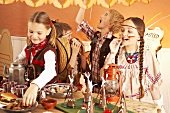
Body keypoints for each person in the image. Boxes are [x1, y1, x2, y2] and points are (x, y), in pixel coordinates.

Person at [102, 17, 165, 112]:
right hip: (119, 106)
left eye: (129, 31)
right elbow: (103, 78)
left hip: (142, 106)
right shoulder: (116, 55)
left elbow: (154, 87)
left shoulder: (147, 55)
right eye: (122, 30)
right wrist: (112, 53)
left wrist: (160, 107)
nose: (124, 34)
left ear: (139, 36)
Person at [75, 6, 124, 92]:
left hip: (106, 89)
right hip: (93, 86)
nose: (101, 15)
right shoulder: (95, 36)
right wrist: (83, 4)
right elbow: (79, 21)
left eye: (105, 15)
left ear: (110, 24)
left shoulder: (114, 43)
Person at [16, 11, 57, 106]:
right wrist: (14, 66)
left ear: (48, 31)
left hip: (45, 97)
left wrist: (35, 85)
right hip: (31, 92)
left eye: (39, 33)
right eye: (31, 32)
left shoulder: (49, 52)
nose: (34, 36)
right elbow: (19, 58)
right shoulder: (29, 46)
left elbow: (50, 71)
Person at [52, 21, 87, 87]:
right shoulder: (56, 52)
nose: (70, 38)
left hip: (75, 85)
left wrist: (82, 54)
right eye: (68, 36)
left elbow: (84, 69)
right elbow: (65, 76)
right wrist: (74, 54)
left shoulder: (72, 47)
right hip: (62, 87)